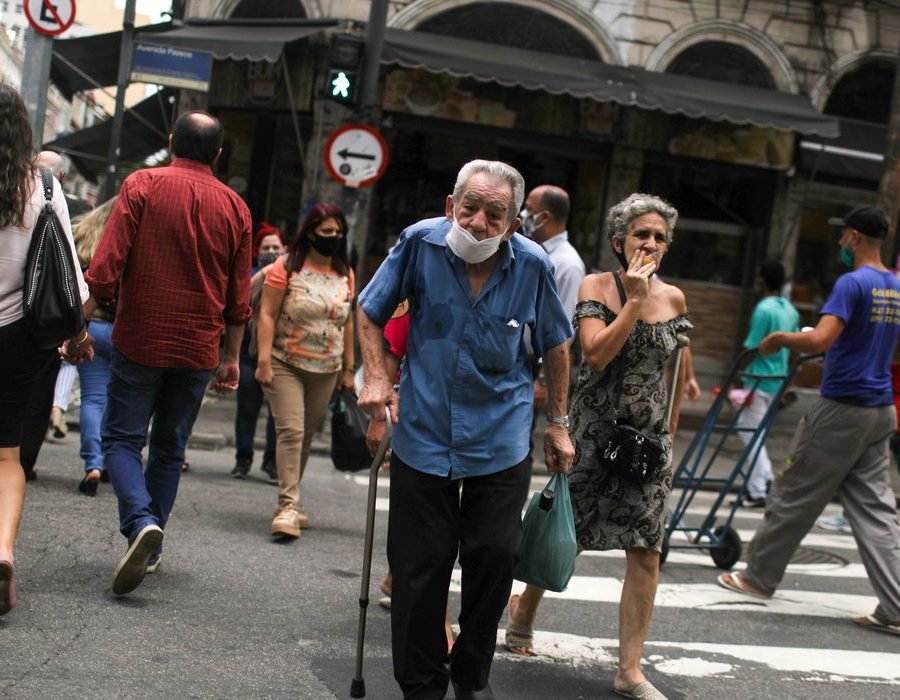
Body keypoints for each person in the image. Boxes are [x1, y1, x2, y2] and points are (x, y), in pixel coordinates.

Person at [357, 159, 575, 699]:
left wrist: (559, 424)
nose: (477, 223)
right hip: (423, 429)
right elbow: (368, 311)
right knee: (418, 568)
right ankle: (421, 685)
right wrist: (378, 376)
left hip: (499, 435)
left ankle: (471, 675)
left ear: (513, 224)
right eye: (469, 208)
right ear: (450, 206)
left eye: (493, 214)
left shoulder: (532, 265)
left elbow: (557, 343)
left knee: (494, 557)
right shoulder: (418, 244)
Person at [506, 193, 691, 700]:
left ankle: (629, 669)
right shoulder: (596, 286)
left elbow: (675, 368)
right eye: (641, 235)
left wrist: (671, 428)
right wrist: (633, 300)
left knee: (646, 551)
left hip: (649, 447)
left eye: (659, 237)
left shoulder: (674, 298)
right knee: (568, 530)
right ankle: (526, 605)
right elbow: (596, 354)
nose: (650, 243)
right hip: (593, 435)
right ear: (619, 241)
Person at [83, 111, 252, 595]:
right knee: (170, 447)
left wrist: (80, 320)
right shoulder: (237, 208)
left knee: (119, 439)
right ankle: (151, 545)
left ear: (171, 140)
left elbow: (107, 263)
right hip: (199, 347)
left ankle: (140, 524)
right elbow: (238, 298)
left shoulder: (141, 185)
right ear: (218, 155)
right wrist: (232, 356)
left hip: (141, 337)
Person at [717, 205, 900, 638]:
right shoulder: (894, 287)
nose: (840, 243)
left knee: (794, 493)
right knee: (877, 511)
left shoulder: (853, 283)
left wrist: (781, 339)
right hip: (880, 409)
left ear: (854, 237)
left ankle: (757, 578)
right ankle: (895, 604)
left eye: (842, 236)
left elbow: (820, 338)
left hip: (841, 407)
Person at [0, 85, 92, 616]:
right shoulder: (45, 188)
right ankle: (4, 550)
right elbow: (67, 275)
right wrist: (78, 336)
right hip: (17, 337)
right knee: (7, 455)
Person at [255, 203, 355, 539]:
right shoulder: (287, 267)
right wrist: (265, 361)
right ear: (310, 232)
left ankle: (293, 501)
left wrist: (348, 369)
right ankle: (286, 506)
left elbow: (348, 321)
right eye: (326, 232)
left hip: (326, 367)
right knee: (291, 431)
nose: (333, 238)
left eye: (338, 233)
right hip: (286, 362)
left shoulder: (346, 273)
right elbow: (267, 314)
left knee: (307, 435)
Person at [733, 259, 799, 507]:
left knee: (749, 433)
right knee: (755, 432)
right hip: (777, 380)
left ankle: (760, 488)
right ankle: (766, 480)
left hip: (758, 380)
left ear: (762, 280)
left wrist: (736, 378)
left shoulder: (763, 310)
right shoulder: (790, 310)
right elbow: (794, 351)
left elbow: (752, 348)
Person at [70, 197, 118, 496]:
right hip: (126, 331)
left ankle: (93, 465)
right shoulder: (130, 238)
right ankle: (117, 459)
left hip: (93, 328)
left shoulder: (83, 234)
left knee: (93, 399)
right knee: (123, 401)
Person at [231, 223, 283, 483]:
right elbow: (240, 299)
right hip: (248, 354)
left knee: (278, 413)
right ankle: (243, 458)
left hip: (279, 356)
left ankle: (272, 462)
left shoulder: (289, 276)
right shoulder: (252, 275)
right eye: (266, 248)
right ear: (257, 252)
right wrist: (264, 272)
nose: (272, 251)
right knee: (247, 409)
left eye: (276, 247)